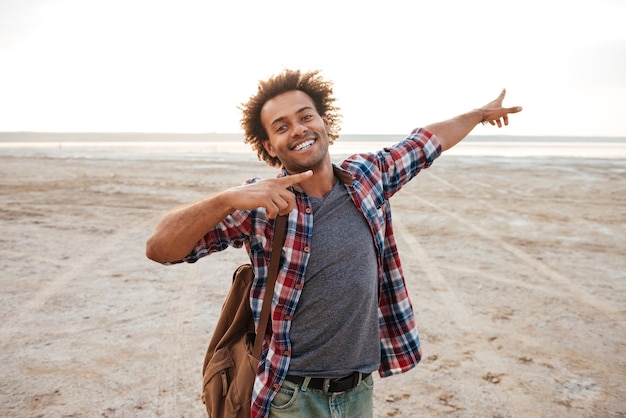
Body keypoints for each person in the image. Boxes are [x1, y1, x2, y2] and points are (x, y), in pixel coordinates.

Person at [146, 69, 522, 418]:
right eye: (282, 126)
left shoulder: (367, 177)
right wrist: (225, 199)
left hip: (358, 391)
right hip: (290, 395)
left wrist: (477, 114)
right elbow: (160, 249)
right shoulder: (262, 204)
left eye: (305, 116)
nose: (298, 129)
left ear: (324, 122)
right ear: (269, 145)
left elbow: (425, 142)